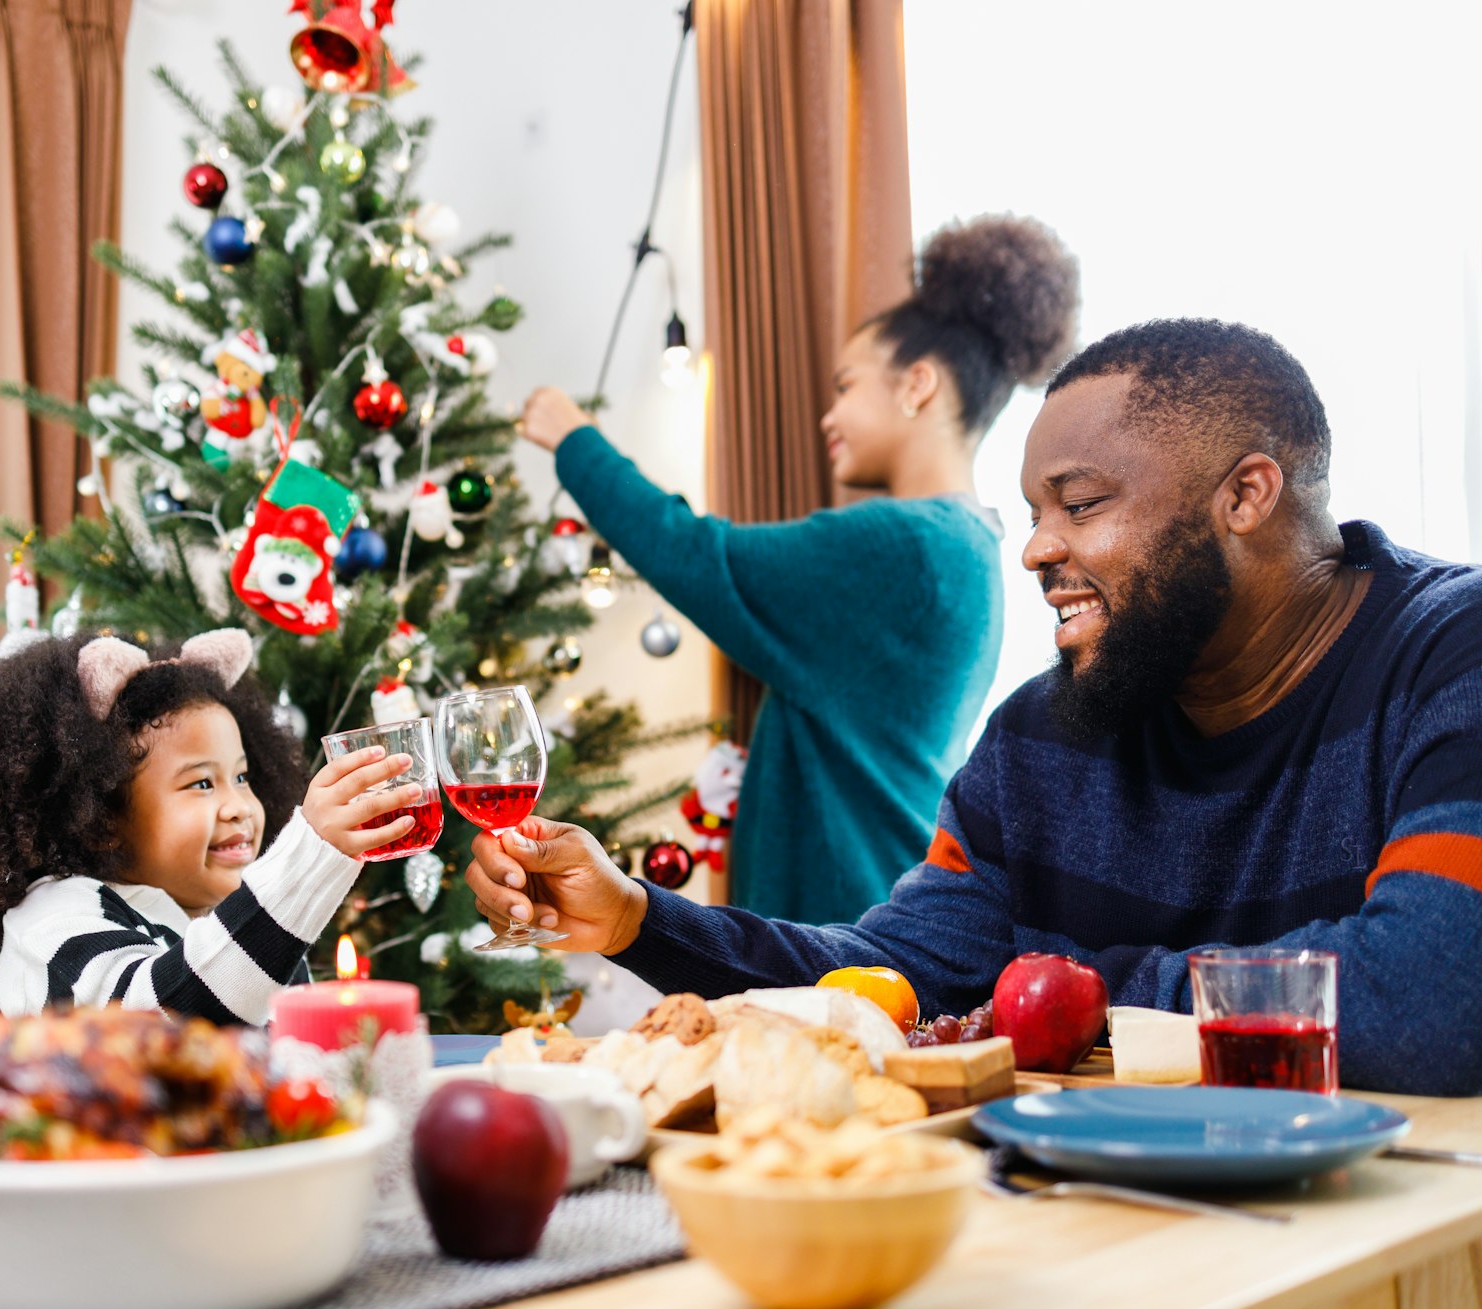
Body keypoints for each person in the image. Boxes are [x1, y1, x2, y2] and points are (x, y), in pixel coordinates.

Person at [471, 318, 1482, 1097]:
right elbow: (893, 975)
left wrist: (1065, 989)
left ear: (1245, 495)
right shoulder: (1037, 737)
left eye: (1079, 504)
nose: (1036, 548)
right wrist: (636, 917)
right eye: (1034, 511)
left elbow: (1430, 998)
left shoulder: (1451, 657)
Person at [520, 216, 1080, 924]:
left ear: (917, 385)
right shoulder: (964, 543)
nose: (827, 415)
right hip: (879, 905)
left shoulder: (909, 547)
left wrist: (575, 441)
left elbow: (700, 555)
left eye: (846, 385)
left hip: (847, 923)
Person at [0, 629, 422, 1022]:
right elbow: (163, 1020)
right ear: (100, 819)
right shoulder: (54, 920)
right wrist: (308, 860)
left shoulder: (226, 921)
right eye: (201, 783)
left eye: (241, 777)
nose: (239, 806)